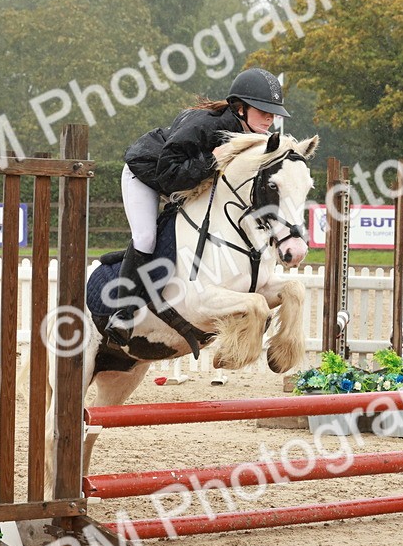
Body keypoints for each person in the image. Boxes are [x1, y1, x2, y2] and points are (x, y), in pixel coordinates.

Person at [104, 67, 290, 346]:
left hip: (187, 180)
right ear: (240, 108)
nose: (270, 118)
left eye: (273, 113)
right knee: (146, 237)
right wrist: (211, 160)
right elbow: (169, 174)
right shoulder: (205, 125)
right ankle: (123, 313)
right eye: (263, 111)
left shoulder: (254, 137)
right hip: (148, 173)